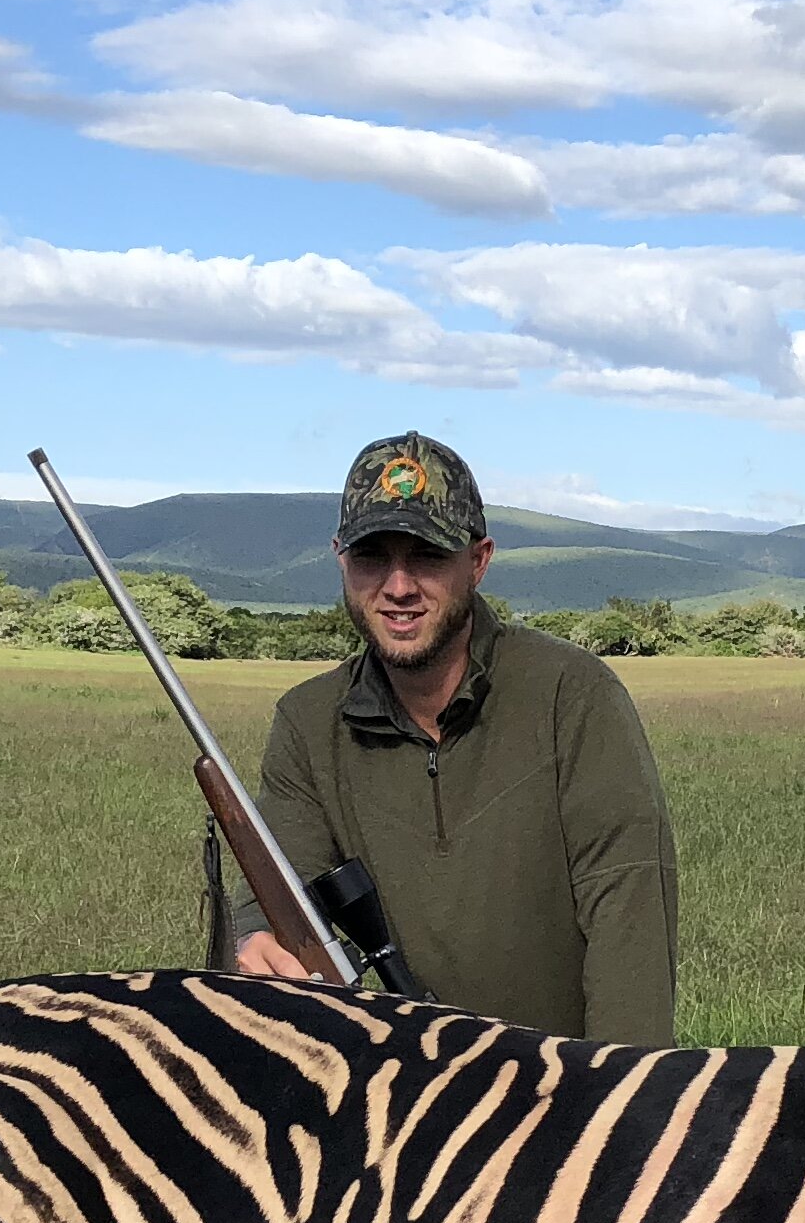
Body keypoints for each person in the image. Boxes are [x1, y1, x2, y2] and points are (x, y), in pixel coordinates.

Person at [221, 431, 680, 1045]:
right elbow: (277, 889)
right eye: (371, 556)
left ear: (479, 559)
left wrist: (622, 1104)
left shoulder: (573, 696)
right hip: (395, 1103)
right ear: (339, 558)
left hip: (563, 1093)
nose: (399, 585)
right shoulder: (308, 722)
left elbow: (630, 926)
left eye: (428, 556)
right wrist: (254, 938)